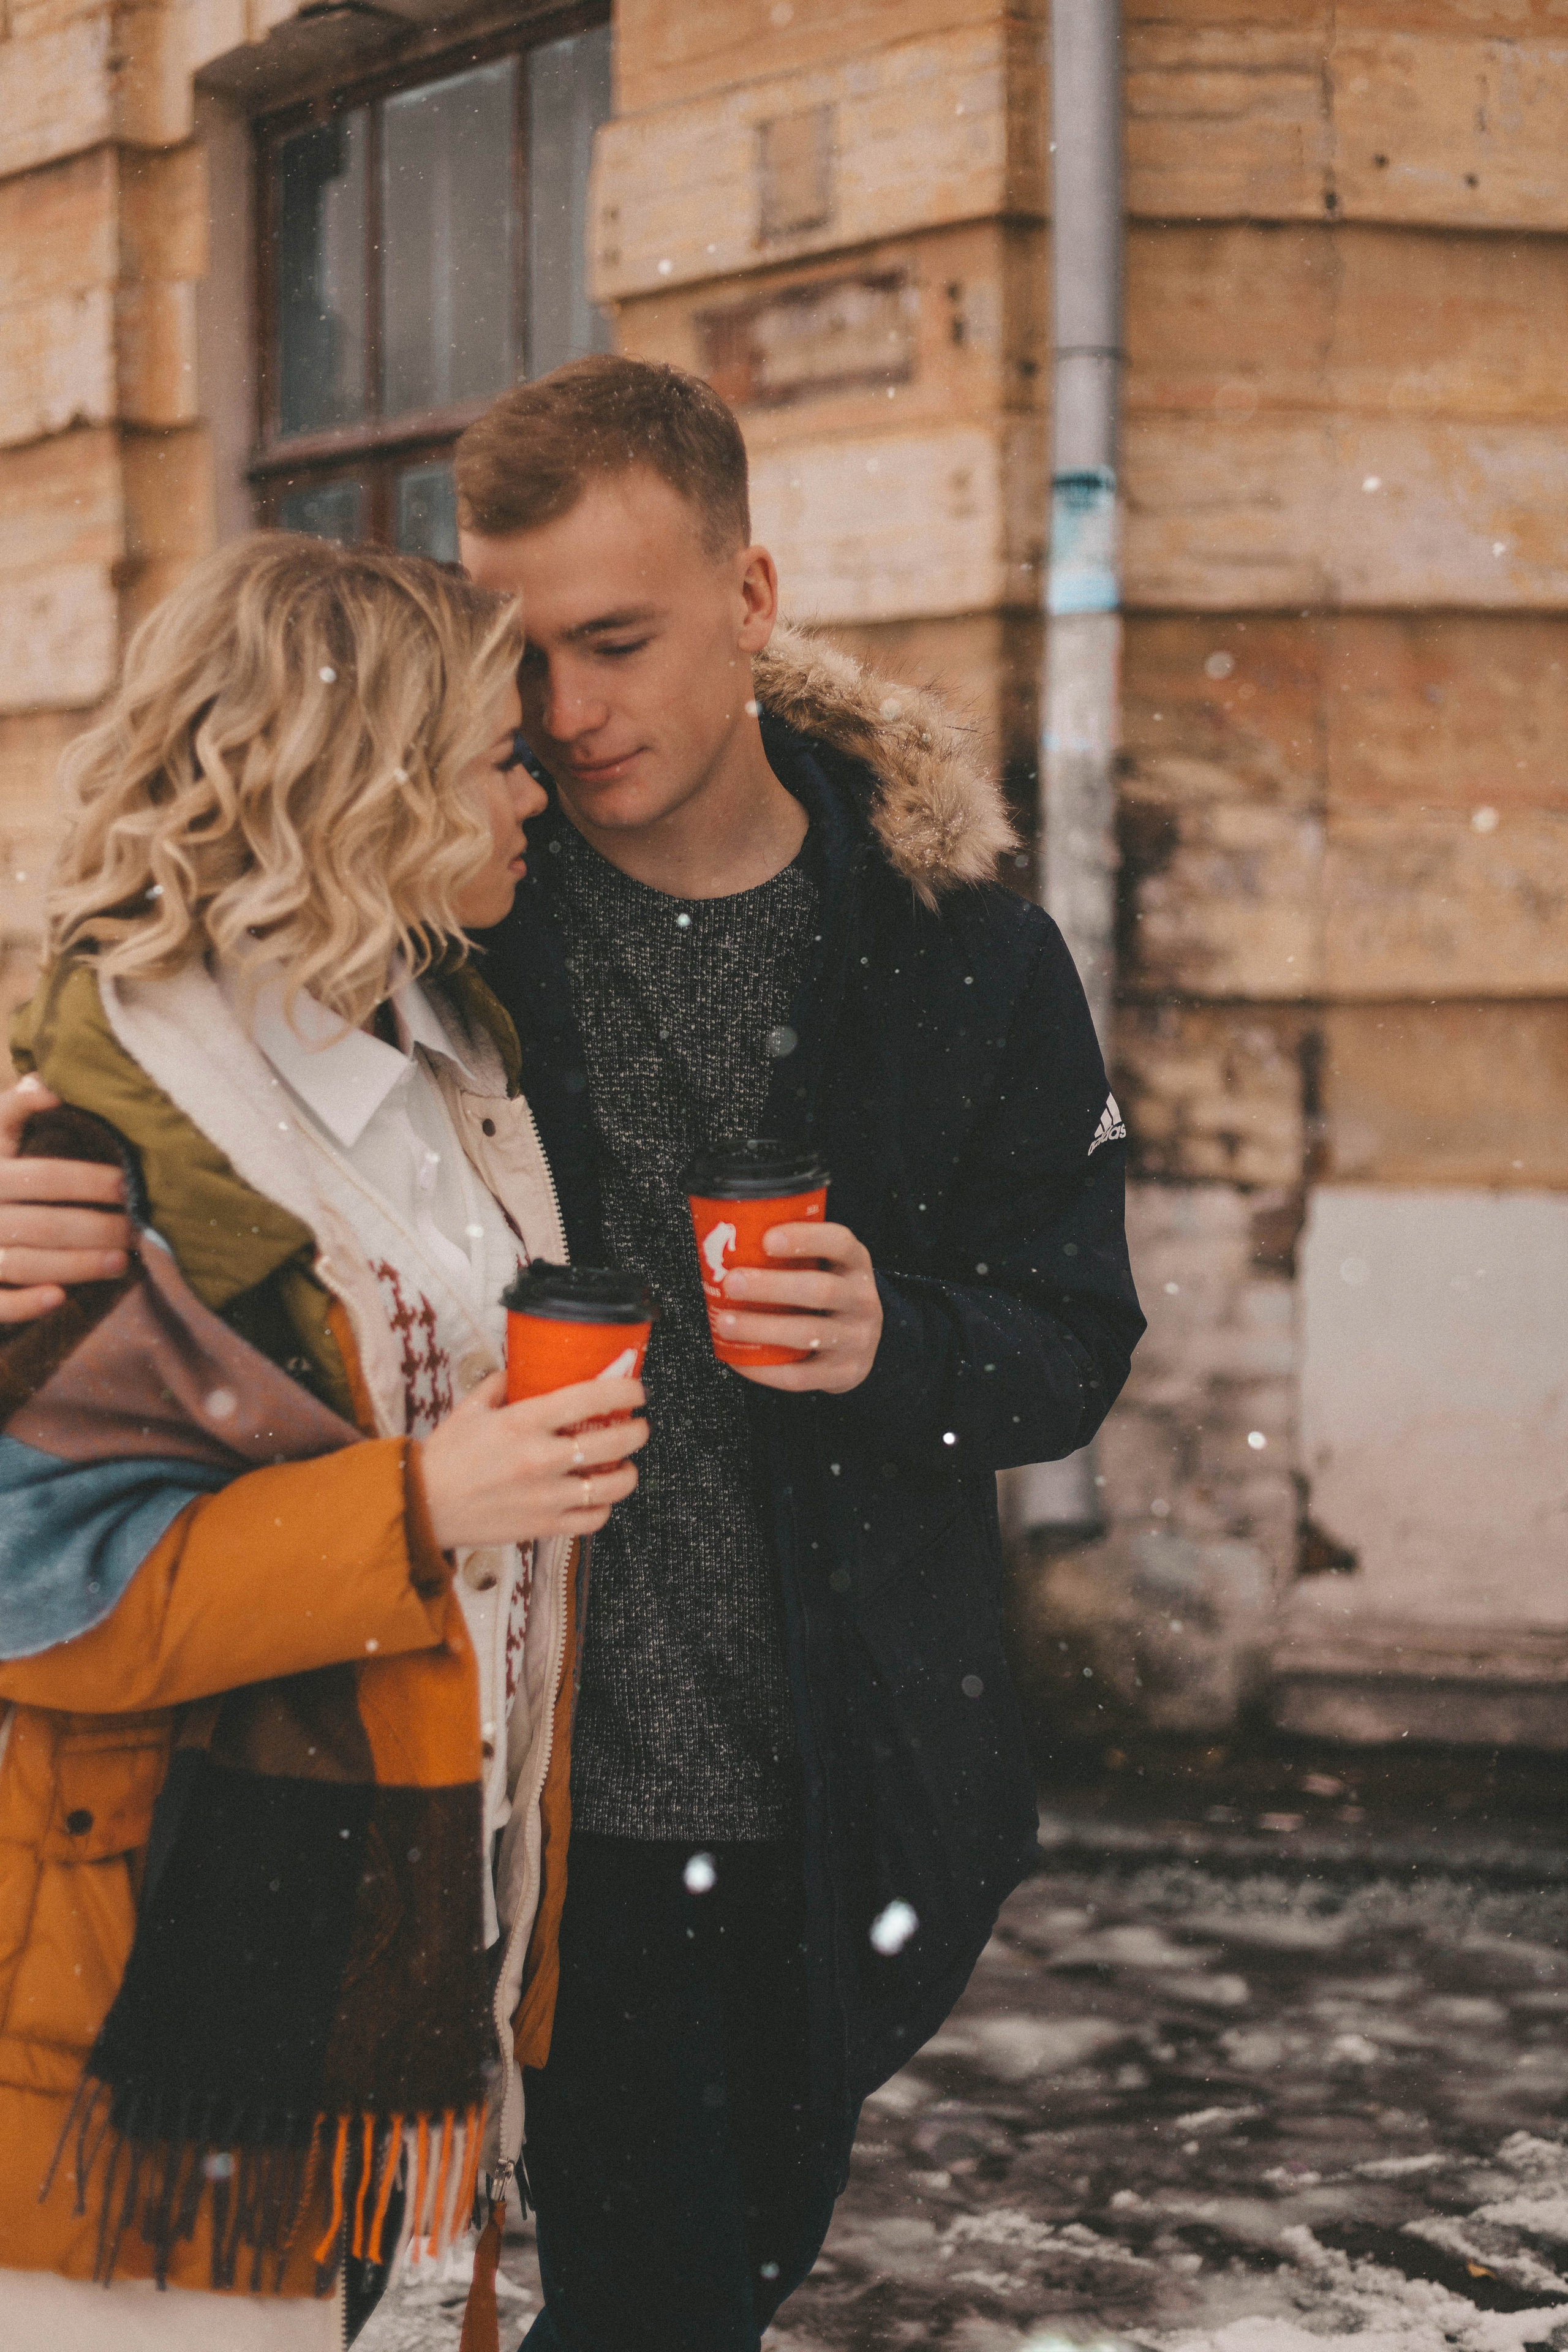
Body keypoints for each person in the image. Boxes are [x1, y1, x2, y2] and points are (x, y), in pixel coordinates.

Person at [0, 355, 1146, 2351]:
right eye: (519, 666)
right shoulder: (455, 919)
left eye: (615, 643)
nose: (558, 723)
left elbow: (1072, 1344)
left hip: (840, 1787)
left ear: (755, 596)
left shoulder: (963, 948)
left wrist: (902, 1339)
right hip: (516, 1808)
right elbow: (163, 993)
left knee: (716, 2259)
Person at [0, 533, 648, 2346]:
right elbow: (50, 1601)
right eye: (493, 756)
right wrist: (433, 1501)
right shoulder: (108, 1121)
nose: (540, 786)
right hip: (174, 1958)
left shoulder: (450, 1041)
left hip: (442, 1893)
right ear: (356, 785)